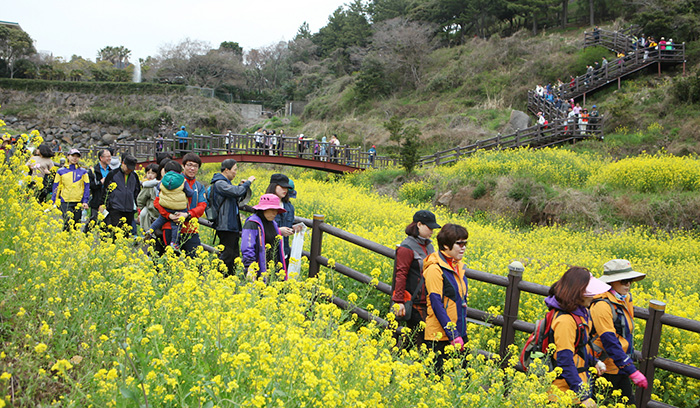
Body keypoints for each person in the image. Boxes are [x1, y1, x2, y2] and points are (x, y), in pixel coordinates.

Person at [545, 266, 609, 406]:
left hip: (574, 390)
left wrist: (594, 361)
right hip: (562, 395)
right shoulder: (566, 321)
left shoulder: (579, 313)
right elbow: (564, 360)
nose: (593, 296)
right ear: (578, 293)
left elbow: (577, 347)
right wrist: (583, 396)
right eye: (589, 292)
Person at [590, 259, 648, 405]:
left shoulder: (625, 299)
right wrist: (631, 370)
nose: (628, 284)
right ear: (611, 282)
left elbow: (625, 334)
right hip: (605, 368)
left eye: (630, 280)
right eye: (624, 281)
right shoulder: (602, 304)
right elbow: (609, 340)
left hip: (620, 366)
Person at [423, 223, 469, 375]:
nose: (463, 247)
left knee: (463, 381)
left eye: (465, 243)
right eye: (459, 243)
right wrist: (453, 335)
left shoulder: (458, 267)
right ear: (445, 245)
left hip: (459, 333)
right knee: (437, 382)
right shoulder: (434, 269)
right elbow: (437, 304)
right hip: (441, 337)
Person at [391, 210, 440, 349]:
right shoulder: (407, 247)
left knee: (413, 337)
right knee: (421, 339)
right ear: (419, 224)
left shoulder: (429, 246)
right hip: (414, 302)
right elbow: (400, 274)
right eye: (429, 227)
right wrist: (399, 301)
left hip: (428, 301)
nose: (432, 231)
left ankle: (395, 359)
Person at [153, 153, 207, 257]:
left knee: (196, 260)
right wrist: (169, 215)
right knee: (169, 261)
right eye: (189, 165)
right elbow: (157, 202)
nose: (192, 168)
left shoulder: (199, 186)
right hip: (170, 227)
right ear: (183, 166)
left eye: (195, 166)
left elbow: (202, 206)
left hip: (190, 229)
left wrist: (188, 214)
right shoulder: (171, 181)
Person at [209, 159, 255, 276]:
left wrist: (241, 186)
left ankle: (229, 278)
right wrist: (247, 183)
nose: (235, 172)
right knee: (227, 254)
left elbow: (237, 196)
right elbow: (236, 192)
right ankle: (220, 277)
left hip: (230, 224)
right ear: (226, 170)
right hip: (225, 224)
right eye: (234, 170)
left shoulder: (225, 183)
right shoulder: (220, 183)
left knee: (233, 254)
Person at [148, 161, 195, 250]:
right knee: (176, 226)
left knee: (159, 220)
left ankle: (149, 231)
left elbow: (158, 188)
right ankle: (174, 243)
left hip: (165, 207)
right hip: (179, 208)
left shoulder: (163, 180)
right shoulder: (182, 180)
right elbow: (189, 193)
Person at [241, 194, 288, 281]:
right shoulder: (252, 224)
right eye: (272, 210)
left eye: (276, 210)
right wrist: (250, 267)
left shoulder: (273, 224)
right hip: (258, 270)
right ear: (263, 209)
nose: (275, 213)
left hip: (272, 270)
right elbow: (247, 246)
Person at [265, 174, 302, 264]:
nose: (285, 190)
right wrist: (278, 231)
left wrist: (294, 229)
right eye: (282, 186)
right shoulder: (265, 204)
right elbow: (260, 228)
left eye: (286, 187)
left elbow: (288, 226)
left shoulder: (289, 207)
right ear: (273, 186)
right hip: (268, 252)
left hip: (284, 252)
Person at [103, 154, 141, 237]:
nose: (129, 170)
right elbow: (106, 190)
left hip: (129, 209)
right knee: (115, 232)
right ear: (123, 163)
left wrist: (138, 207)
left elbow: (137, 192)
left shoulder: (134, 176)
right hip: (115, 208)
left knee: (126, 233)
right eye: (128, 168)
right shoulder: (113, 174)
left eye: (131, 168)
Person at [51, 148, 90, 231]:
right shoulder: (61, 171)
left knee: (76, 224)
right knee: (68, 221)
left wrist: (85, 201)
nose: (75, 158)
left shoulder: (83, 171)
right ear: (68, 156)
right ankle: (65, 240)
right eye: (72, 156)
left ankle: (72, 241)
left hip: (78, 201)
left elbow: (86, 187)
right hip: (65, 200)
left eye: (77, 156)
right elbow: (56, 186)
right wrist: (54, 200)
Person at [84, 148, 112, 233]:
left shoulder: (111, 171)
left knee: (106, 222)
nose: (109, 158)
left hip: (107, 200)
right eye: (107, 156)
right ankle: (85, 235)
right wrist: (100, 182)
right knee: (94, 220)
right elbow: (90, 185)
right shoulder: (93, 171)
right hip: (96, 200)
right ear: (101, 158)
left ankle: (103, 240)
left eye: (110, 156)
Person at [136, 163, 160, 236]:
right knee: (143, 214)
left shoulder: (157, 183)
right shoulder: (146, 184)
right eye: (148, 173)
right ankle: (143, 231)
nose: (150, 175)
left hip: (156, 207)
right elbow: (141, 199)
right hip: (148, 206)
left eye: (152, 173)